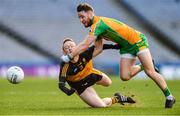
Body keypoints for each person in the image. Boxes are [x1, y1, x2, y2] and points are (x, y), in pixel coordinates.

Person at [60, 3, 175, 108]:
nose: (81, 20)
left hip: (137, 41)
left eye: (82, 16)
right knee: (125, 76)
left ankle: (169, 97)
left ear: (90, 13)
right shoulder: (96, 28)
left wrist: (69, 57)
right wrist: (83, 60)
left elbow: (85, 45)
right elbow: (98, 49)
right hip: (126, 47)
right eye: (79, 17)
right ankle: (142, 66)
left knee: (150, 72)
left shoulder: (98, 25)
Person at [59, 38, 135, 108]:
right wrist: (68, 91)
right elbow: (61, 84)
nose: (69, 48)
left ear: (77, 47)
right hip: (80, 86)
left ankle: (94, 84)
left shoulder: (84, 53)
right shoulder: (65, 65)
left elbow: (100, 47)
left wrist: (115, 46)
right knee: (101, 106)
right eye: (66, 48)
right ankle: (117, 99)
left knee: (108, 82)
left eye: (72, 46)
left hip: (90, 74)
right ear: (64, 52)